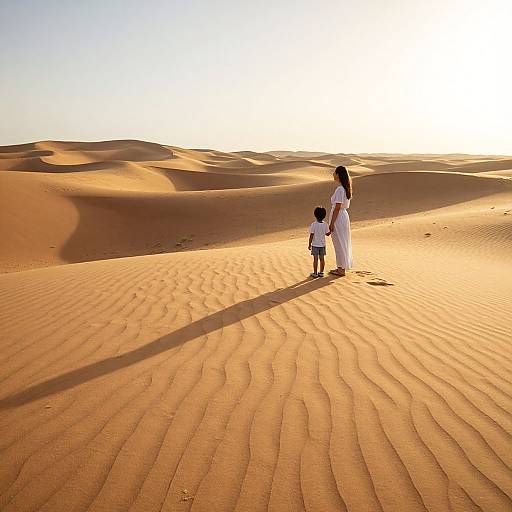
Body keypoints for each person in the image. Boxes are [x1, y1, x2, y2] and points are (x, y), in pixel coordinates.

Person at [328, 165, 353, 276]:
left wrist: (332, 223)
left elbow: (337, 207)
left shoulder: (340, 189)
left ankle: (341, 269)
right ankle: (341, 267)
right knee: (342, 242)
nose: (333, 174)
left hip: (339, 218)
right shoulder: (345, 188)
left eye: (334, 172)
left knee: (339, 243)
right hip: (343, 217)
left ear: (338, 174)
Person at [308, 206, 330, 278]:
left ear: (315, 215)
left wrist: (309, 244)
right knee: (322, 259)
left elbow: (311, 235)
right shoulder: (325, 225)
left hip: (315, 245)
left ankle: (315, 273)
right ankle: (321, 272)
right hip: (322, 245)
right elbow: (327, 234)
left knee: (315, 259)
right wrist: (331, 230)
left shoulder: (313, 224)